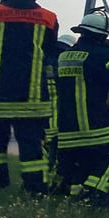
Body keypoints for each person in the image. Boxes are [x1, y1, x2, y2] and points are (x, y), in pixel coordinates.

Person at [54, 12, 109, 206]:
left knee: (81, 164)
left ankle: (75, 201)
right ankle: (93, 193)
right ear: (101, 36)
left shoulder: (63, 56)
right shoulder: (101, 55)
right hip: (95, 122)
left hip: (67, 126)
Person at [0, 0, 59, 195]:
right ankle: (36, 190)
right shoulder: (49, 18)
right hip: (33, 100)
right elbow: (50, 53)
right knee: (33, 149)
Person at [45, 32, 77, 194]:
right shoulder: (65, 60)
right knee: (57, 156)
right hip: (59, 119)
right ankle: (53, 187)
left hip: (41, 116)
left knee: (42, 155)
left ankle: (41, 185)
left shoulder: (45, 58)